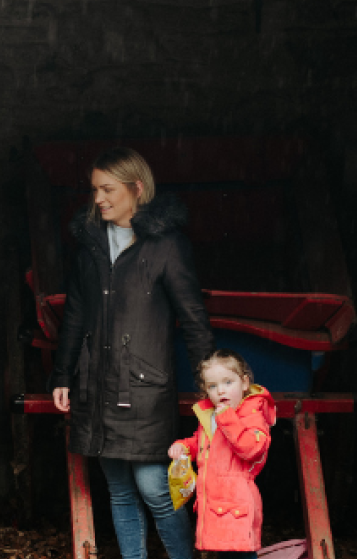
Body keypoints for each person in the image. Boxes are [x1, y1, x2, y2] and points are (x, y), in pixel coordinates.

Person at [50, 147, 215, 559]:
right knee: (120, 492)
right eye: (94, 191)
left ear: (136, 188)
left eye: (108, 189)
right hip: (96, 382)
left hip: (144, 385)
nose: (99, 199)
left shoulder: (166, 245)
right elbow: (74, 314)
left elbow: (192, 316)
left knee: (155, 488)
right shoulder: (89, 243)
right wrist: (62, 374)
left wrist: (208, 382)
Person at [169, 349, 276, 559]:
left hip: (237, 505)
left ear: (244, 383)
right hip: (214, 503)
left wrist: (226, 419)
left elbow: (252, 449)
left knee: (241, 555)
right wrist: (184, 447)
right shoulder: (211, 414)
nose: (221, 391)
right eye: (213, 386)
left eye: (228, 382)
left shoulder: (252, 414)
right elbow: (202, 442)